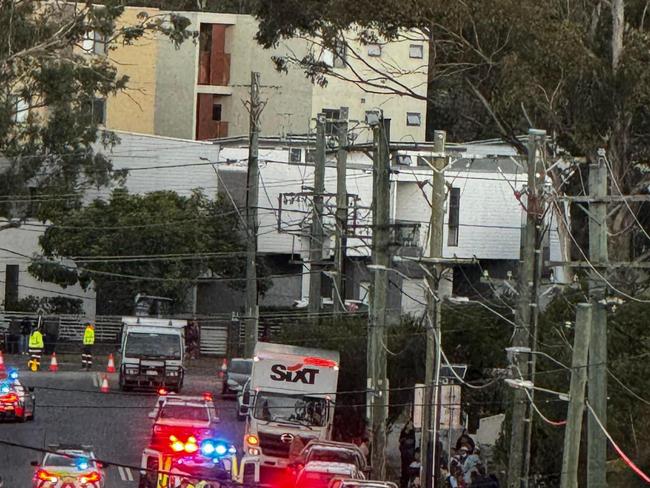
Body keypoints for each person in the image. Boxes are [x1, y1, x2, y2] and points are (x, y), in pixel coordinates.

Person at [399, 420, 417, 488]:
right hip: (404, 454)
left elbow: (411, 442)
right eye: (409, 424)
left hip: (409, 454)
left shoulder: (412, 433)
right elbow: (400, 440)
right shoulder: (403, 432)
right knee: (404, 468)